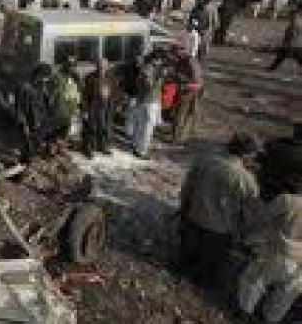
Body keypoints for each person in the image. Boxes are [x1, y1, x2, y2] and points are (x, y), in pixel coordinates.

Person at [178, 132, 261, 284]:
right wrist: (242, 235)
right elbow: (248, 214)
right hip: (219, 233)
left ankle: (183, 268)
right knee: (207, 273)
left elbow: (186, 190)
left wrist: (183, 210)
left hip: (193, 220)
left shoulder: (204, 161)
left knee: (185, 257)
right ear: (247, 154)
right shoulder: (247, 180)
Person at [239, 193, 302, 323]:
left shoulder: (287, 200)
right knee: (284, 295)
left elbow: (263, 217)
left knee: (254, 280)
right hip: (298, 262)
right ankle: (268, 319)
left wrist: (250, 235)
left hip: (277, 251)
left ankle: (244, 313)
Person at [126, 56, 163, 159]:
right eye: (158, 60)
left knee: (140, 127)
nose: (159, 62)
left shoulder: (147, 70)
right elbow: (149, 88)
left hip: (145, 102)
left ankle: (135, 146)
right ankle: (141, 151)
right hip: (148, 103)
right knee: (146, 129)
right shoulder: (148, 71)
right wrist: (159, 80)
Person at [81, 58, 115, 159]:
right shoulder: (89, 77)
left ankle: (102, 146)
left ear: (107, 67)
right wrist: (84, 109)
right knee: (91, 127)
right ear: (96, 66)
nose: (102, 68)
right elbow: (84, 94)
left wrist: (114, 103)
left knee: (103, 127)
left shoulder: (110, 77)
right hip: (92, 105)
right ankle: (88, 148)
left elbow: (115, 92)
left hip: (105, 106)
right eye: (100, 66)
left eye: (104, 66)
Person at [269, 6, 302, 71]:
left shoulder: (296, 19)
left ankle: (272, 68)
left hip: (293, 43)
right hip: (295, 42)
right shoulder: (297, 19)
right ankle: (272, 68)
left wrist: (288, 39)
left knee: (286, 54)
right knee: (282, 54)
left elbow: (293, 31)